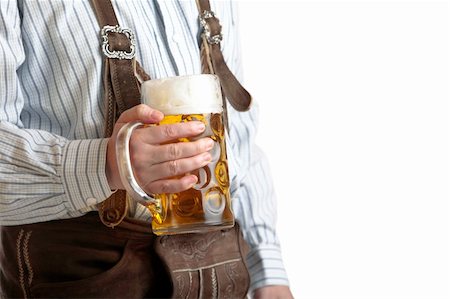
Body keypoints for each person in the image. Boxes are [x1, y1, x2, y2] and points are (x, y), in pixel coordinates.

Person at [0, 1, 293, 298]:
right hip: (87, 272)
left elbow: (239, 139)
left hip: (221, 268)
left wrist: (266, 268)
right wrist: (106, 165)